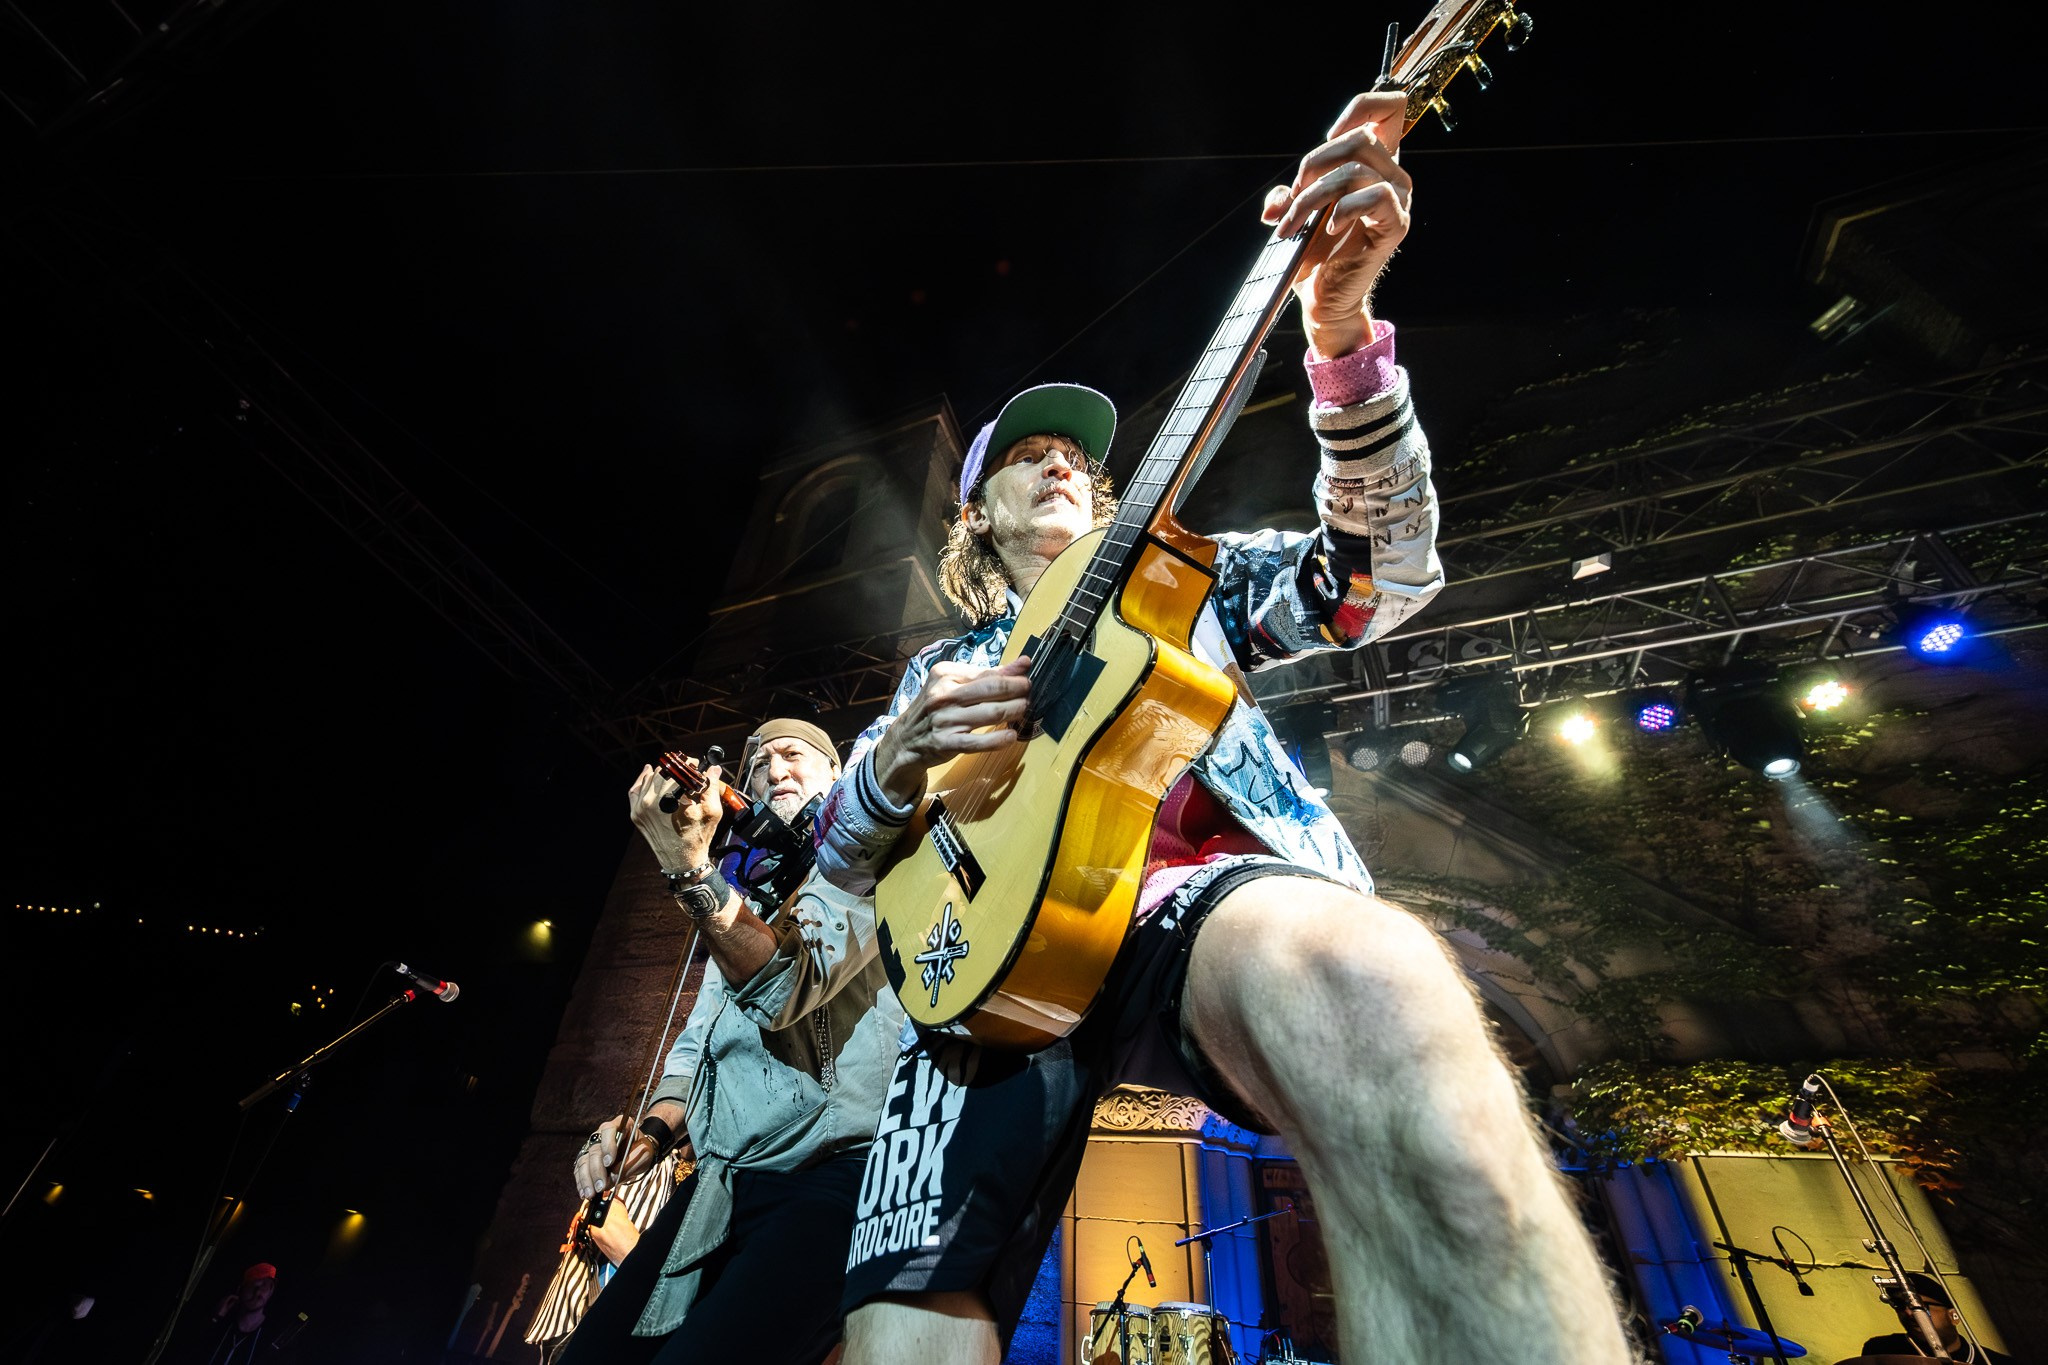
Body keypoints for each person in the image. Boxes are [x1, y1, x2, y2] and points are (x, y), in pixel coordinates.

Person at [795, 90, 1636, 1364]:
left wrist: (1341, 334)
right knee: (900, 1342)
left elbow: (1378, 580)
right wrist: (893, 768)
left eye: (1074, 452)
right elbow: (836, 850)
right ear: (976, 523)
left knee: (1378, 981)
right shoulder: (942, 670)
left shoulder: (1176, 578)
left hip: (1197, 907)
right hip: (976, 970)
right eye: (1023, 457)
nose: (1059, 463)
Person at [558, 718, 906, 1365]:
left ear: (837, 774)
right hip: (723, 1183)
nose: (775, 771)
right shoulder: (745, 899)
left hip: (831, 1179)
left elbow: (785, 987)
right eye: (760, 764)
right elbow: (699, 1044)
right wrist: (652, 1133)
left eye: (793, 755)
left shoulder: (870, 861)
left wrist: (690, 871)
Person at [1860, 1272, 2014, 1363]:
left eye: (1919, 1306)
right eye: (1900, 1305)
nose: (1908, 1312)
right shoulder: (1882, 1350)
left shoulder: (1996, 1362)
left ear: (1953, 1315)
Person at [189, 1263, 273, 1365]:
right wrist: (215, 1318)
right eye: (254, 1285)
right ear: (240, 1289)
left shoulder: (270, 1337)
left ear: (270, 1292)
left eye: (265, 1285)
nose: (258, 1291)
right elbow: (194, 1348)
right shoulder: (223, 1325)